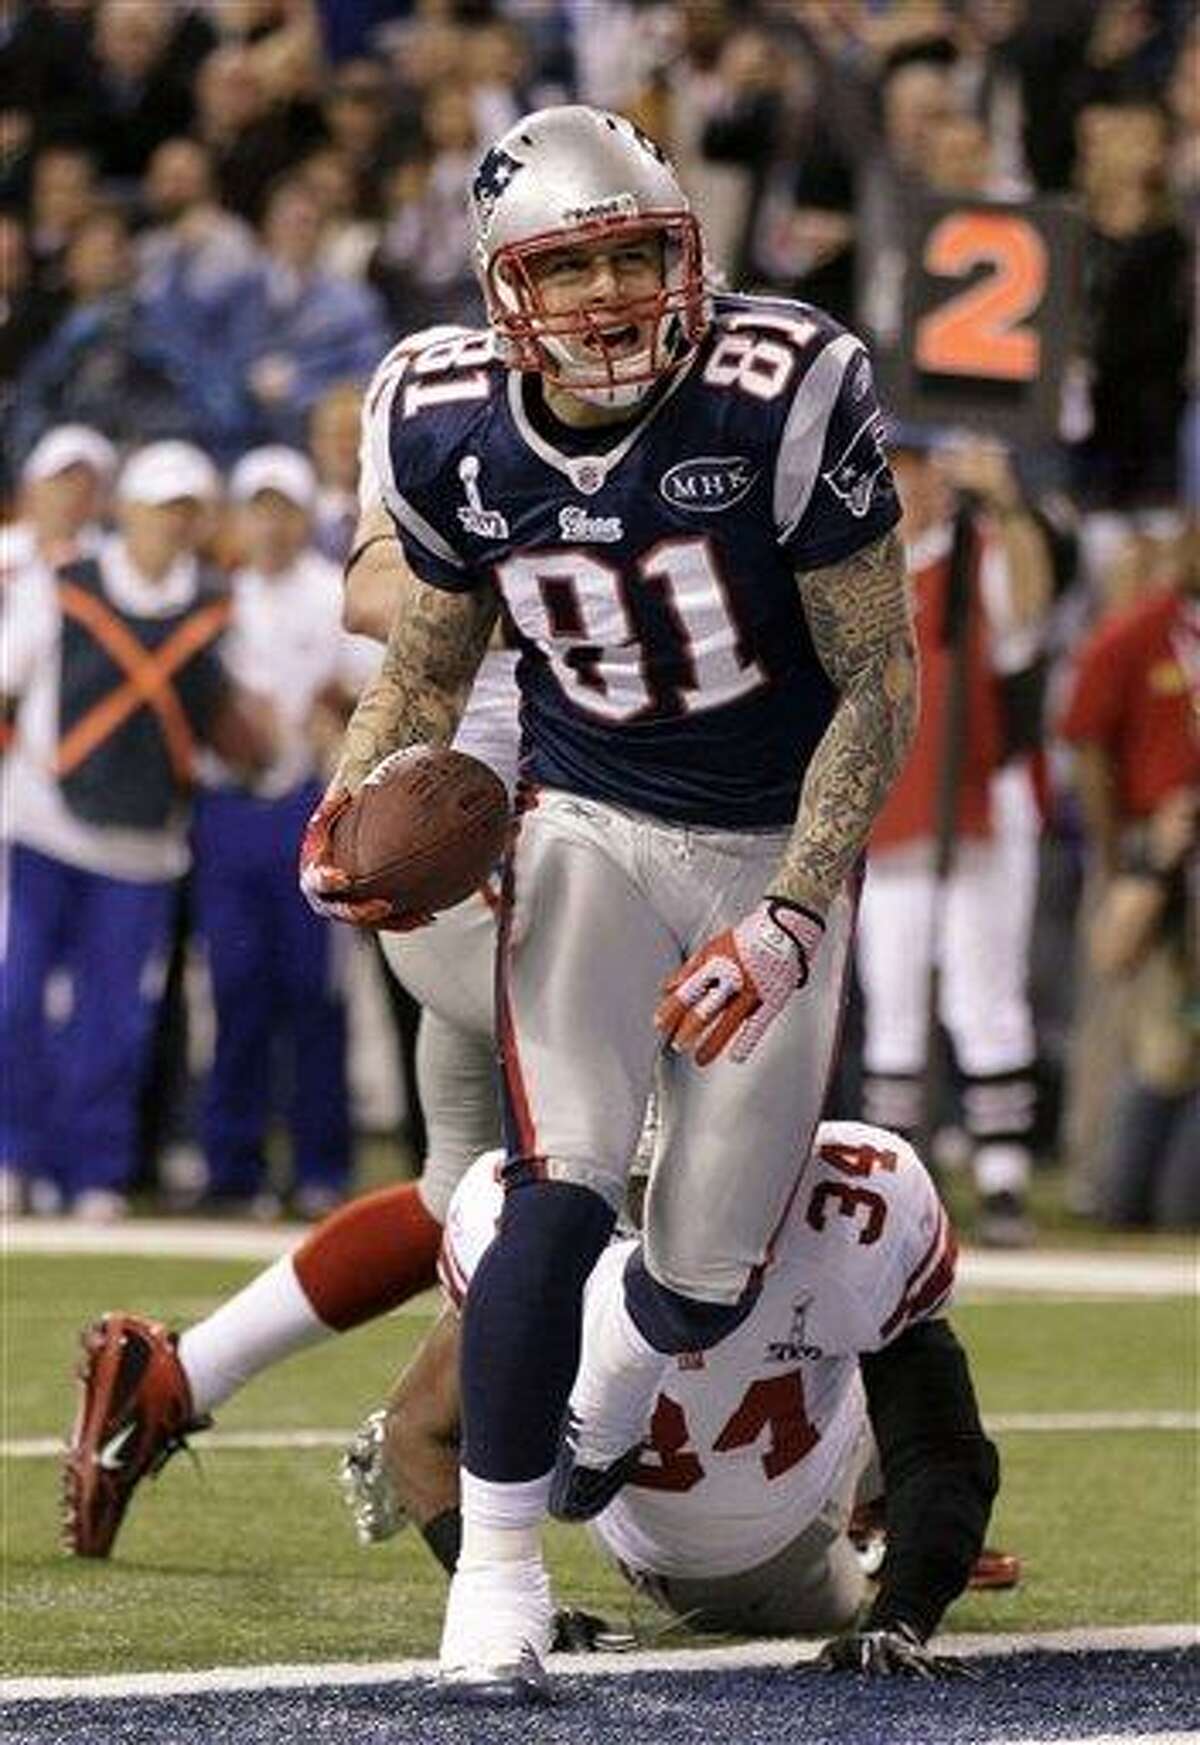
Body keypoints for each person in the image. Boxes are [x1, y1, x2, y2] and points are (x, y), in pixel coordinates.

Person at [299, 105, 916, 1702]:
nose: (610, 292)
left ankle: (597, 1403)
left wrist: (789, 915)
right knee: (557, 1180)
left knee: (701, 1277)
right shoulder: (444, 416)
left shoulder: (787, 384)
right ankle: (496, 1572)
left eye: (638, 251)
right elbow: (431, 652)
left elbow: (879, 673)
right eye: (570, 264)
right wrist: (359, 794)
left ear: (685, 249)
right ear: (505, 284)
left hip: (768, 840)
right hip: (586, 818)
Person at [347, 1121, 1000, 1677]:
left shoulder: (859, 1201)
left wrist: (905, 1611)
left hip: (789, 1449)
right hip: (748, 1555)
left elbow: (943, 1443)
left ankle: (892, 1525)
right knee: (824, 1574)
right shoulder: (527, 1221)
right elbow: (420, 1431)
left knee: (897, 1359)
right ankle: (885, 1533)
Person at [0, 440, 273, 1218]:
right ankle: (15, 1154)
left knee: (116, 1018)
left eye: (186, 512)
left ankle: (95, 1170)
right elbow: (8, 680)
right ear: (127, 511)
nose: (170, 526)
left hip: (147, 843)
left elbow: (244, 729)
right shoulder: (61, 587)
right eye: (159, 510)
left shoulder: (218, 606)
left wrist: (263, 738)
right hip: (44, 820)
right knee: (16, 999)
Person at [856, 431, 1054, 1248]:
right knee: (892, 995)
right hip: (889, 800)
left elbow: (1030, 623)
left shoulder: (984, 555)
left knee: (987, 990)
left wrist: (1007, 505)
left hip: (978, 799)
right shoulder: (857, 571)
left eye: (924, 471)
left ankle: (1003, 1177)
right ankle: (897, 1179)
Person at [189, 446, 371, 1218]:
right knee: (236, 990)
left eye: (283, 508)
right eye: (258, 507)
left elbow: (371, 686)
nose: (270, 523)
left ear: (304, 516)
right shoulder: (214, 598)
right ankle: (232, 1166)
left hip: (307, 804)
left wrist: (325, 715)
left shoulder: (332, 592)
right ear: (238, 516)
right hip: (227, 806)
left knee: (313, 992)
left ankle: (321, 1164)